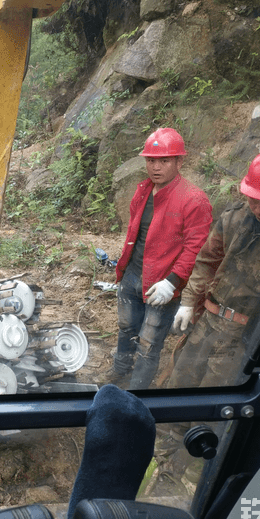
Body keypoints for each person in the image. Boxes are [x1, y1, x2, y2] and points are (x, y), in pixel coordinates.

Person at [167, 147, 260, 389]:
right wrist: (189, 302)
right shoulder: (235, 218)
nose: (259, 210)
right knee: (179, 387)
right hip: (209, 318)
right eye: (253, 200)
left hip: (245, 336)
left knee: (214, 403)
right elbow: (208, 261)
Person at [103, 128, 212, 389]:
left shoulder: (194, 200)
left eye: (164, 161)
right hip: (132, 274)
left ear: (179, 162)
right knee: (127, 328)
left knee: (149, 342)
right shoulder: (143, 190)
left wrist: (172, 282)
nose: (156, 167)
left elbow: (195, 250)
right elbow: (135, 234)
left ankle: (135, 392)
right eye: (151, 160)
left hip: (161, 283)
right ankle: (118, 375)